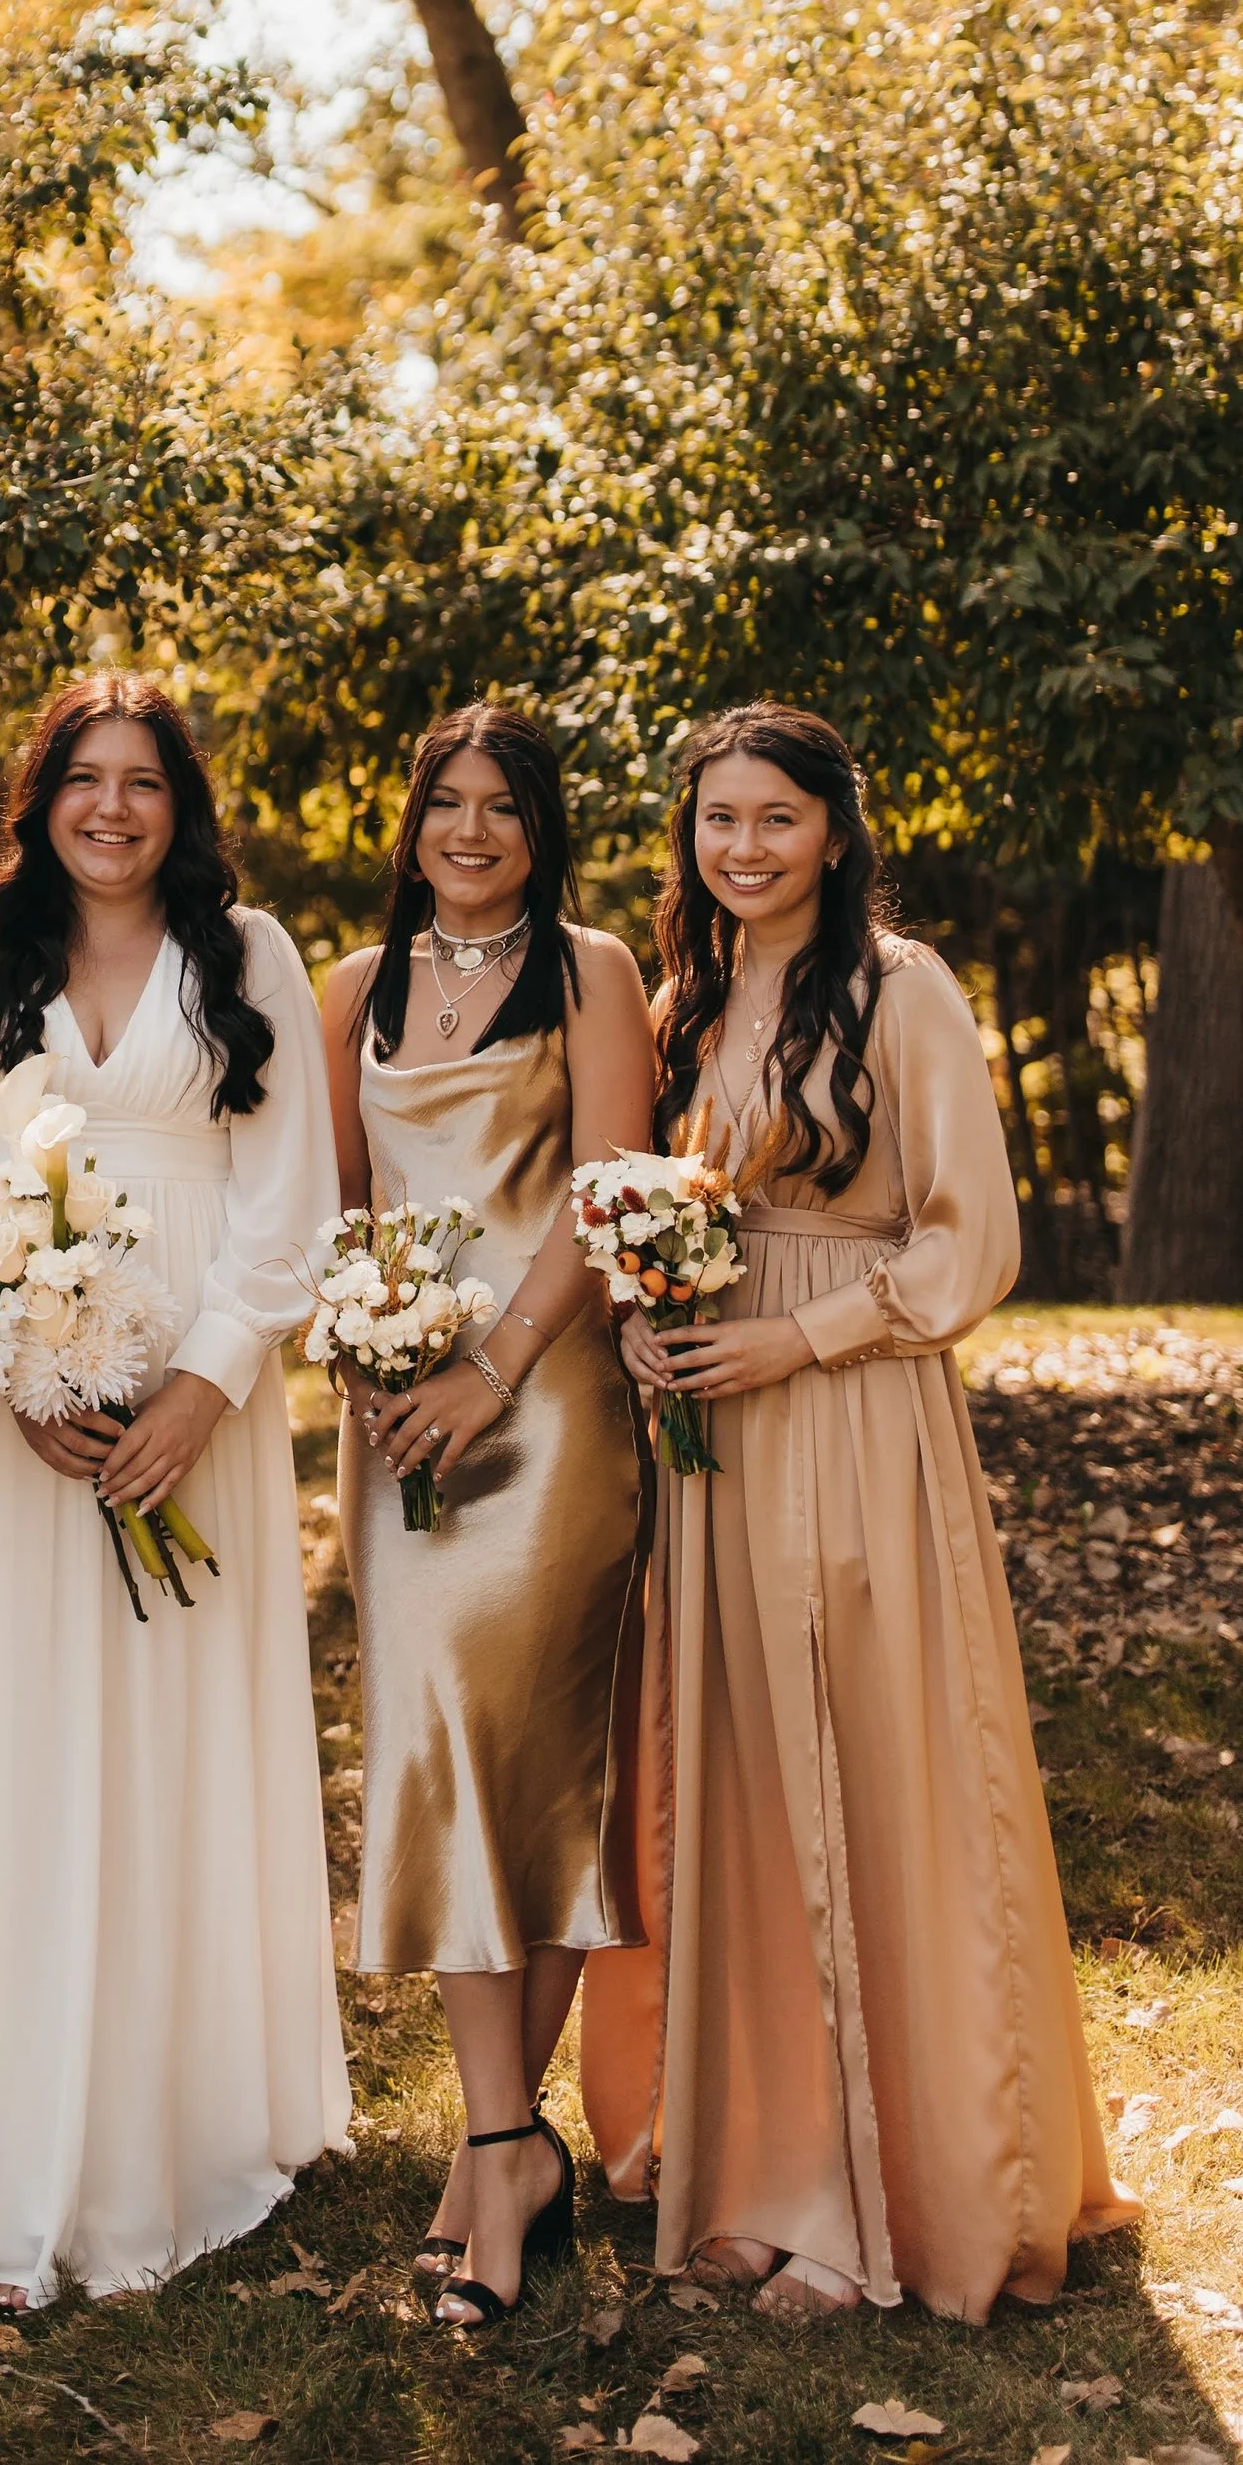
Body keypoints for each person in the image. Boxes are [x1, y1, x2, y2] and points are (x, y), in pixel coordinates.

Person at [590, 702, 1129, 2322]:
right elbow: (667, 1206)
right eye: (718, 821)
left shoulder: (906, 991)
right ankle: (761, 2171)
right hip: (715, 1448)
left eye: (775, 818)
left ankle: (888, 2189)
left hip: (855, 1417)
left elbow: (973, 1245)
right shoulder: (687, 1001)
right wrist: (643, 1310)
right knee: (743, 1795)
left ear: (836, 828)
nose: (741, 848)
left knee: (872, 1781)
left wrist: (794, 1334)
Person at [0, 675, 352, 2307]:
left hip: (203, 1391)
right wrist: (11, 1360)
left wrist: (200, 1386)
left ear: (181, 802)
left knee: (167, 1738)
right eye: (84, 778)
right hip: (1, 1421)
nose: (113, 808)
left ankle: (165, 2125)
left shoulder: (248, 954)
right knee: (8, 1741)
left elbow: (290, 1196)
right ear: (39, 795)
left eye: (144, 781)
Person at [317, 703, 656, 2327]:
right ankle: (508, 2140)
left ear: (542, 827)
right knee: (436, 1757)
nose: (469, 829)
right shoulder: (348, 993)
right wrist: (375, 1366)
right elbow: (332, 1222)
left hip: (554, 1416)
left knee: (547, 1778)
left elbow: (607, 1202)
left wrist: (491, 1373)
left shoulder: (588, 973)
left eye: (501, 805)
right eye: (444, 800)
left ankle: (502, 2145)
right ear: (410, 821)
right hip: (403, 1434)